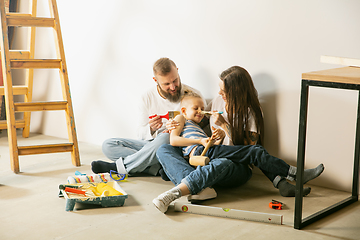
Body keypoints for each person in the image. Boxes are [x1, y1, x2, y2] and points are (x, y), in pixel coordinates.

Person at [153, 66, 324, 213]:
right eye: (220, 88)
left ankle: (183, 188)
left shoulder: (251, 112)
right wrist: (176, 123)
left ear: (236, 91)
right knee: (163, 148)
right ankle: (200, 187)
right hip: (207, 154)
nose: (219, 93)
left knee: (226, 162)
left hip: (235, 166)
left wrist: (225, 126)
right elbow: (197, 119)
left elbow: (247, 151)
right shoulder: (218, 101)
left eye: (224, 90)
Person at [91, 58, 205, 176]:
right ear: (155, 80)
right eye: (166, 84)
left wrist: (178, 129)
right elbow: (140, 133)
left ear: (177, 71)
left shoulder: (192, 95)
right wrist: (151, 129)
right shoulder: (147, 97)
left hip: (175, 146)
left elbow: (201, 125)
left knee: (166, 137)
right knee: (108, 145)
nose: (172, 87)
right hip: (152, 144)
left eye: (175, 80)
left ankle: (120, 167)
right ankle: (156, 167)